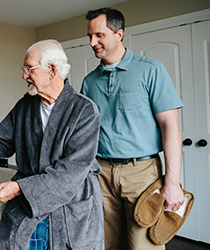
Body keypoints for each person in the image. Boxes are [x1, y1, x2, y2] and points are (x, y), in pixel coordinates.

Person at [0, 40, 104, 250]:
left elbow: (71, 171)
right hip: (30, 205)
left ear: (52, 70)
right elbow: (2, 142)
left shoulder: (84, 110)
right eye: (24, 69)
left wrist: (20, 188)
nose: (24, 75)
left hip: (71, 207)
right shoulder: (25, 106)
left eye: (29, 69)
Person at [81, 8, 185, 250]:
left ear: (119, 34)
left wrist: (173, 182)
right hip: (101, 174)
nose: (92, 43)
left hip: (142, 173)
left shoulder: (151, 69)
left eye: (99, 35)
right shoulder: (89, 81)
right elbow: (80, 128)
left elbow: (171, 127)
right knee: (108, 244)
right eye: (89, 37)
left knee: (145, 244)